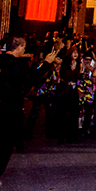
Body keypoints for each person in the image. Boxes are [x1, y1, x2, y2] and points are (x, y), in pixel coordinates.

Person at [0, 36, 57, 177]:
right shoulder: (19, 65)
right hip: (10, 109)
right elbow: (31, 78)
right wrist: (46, 63)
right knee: (6, 144)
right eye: (24, 48)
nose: (24, 50)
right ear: (19, 47)